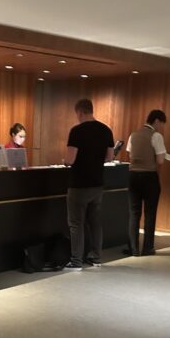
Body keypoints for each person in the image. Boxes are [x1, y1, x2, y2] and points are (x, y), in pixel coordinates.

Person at [63, 98, 115, 270]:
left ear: (79, 112)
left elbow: (70, 159)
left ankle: (76, 261)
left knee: (76, 224)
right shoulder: (106, 130)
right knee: (95, 223)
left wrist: (65, 161)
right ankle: (96, 258)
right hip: (97, 184)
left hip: (79, 184)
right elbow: (110, 157)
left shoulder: (76, 131)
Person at [125, 109, 167, 256]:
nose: (161, 127)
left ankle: (133, 248)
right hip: (149, 177)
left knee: (133, 213)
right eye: (161, 124)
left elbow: (130, 155)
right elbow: (161, 160)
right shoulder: (156, 136)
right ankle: (148, 247)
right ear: (156, 120)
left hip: (132, 176)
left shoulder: (133, 135)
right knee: (150, 213)